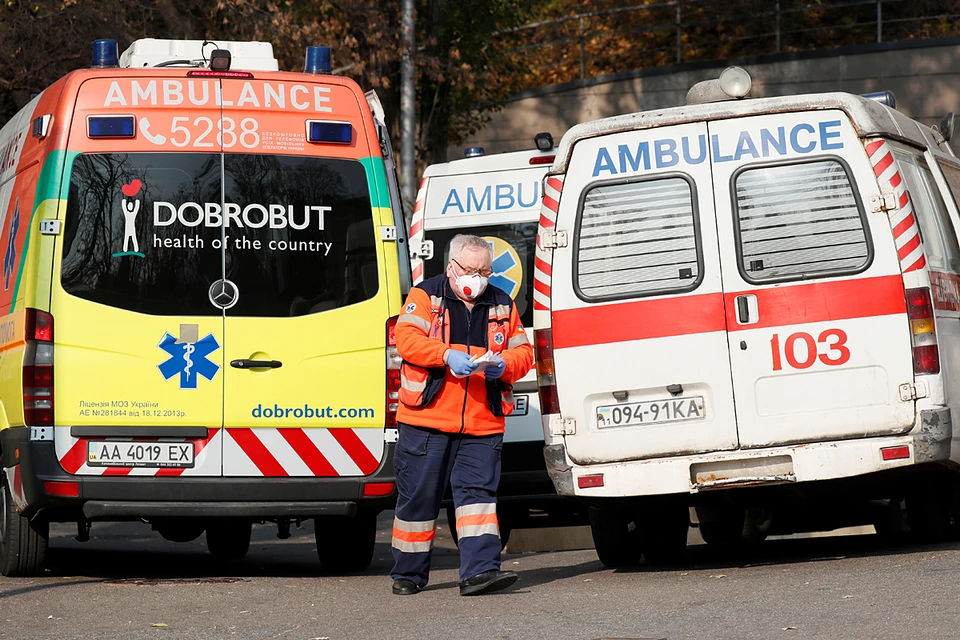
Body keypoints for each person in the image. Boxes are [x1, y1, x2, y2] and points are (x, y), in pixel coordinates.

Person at [390, 234, 534, 596]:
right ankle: (408, 574)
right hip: (428, 419)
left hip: (482, 422)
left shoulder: (502, 302)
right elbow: (406, 339)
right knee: (419, 499)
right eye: (471, 269)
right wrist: (445, 355)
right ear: (452, 267)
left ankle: (480, 572)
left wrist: (503, 365)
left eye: (485, 269)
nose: (479, 276)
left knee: (478, 501)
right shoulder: (426, 296)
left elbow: (523, 354)